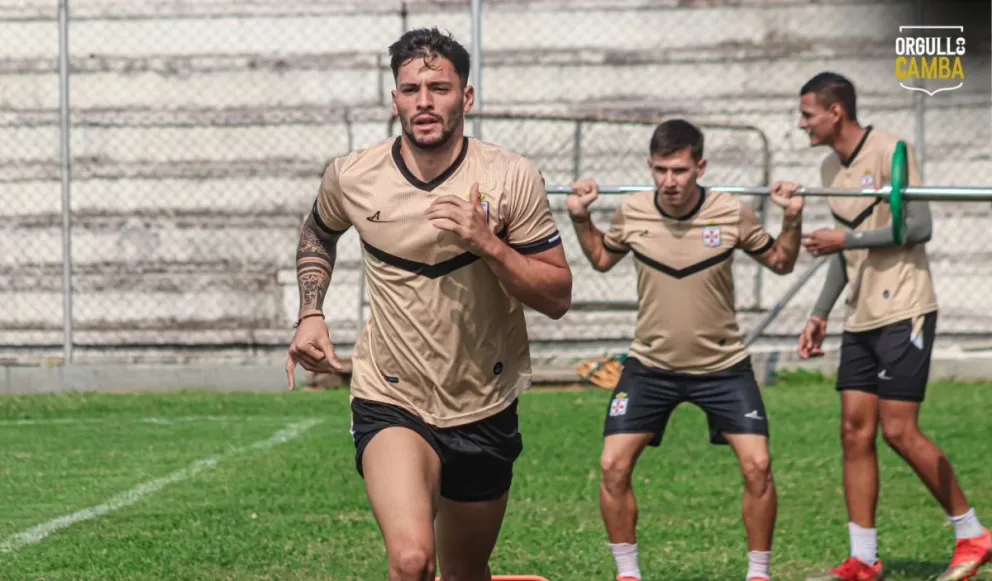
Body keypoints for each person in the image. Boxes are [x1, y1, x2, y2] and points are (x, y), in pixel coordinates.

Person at [285, 27, 573, 581]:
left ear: (465, 97)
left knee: (465, 572)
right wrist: (311, 312)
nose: (424, 101)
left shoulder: (510, 177)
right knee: (413, 559)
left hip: (483, 402)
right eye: (410, 88)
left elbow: (556, 295)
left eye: (438, 88)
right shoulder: (352, 175)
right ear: (394, 99)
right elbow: (318, 233)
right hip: (390, 395)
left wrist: (487, 243)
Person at [567, 118, 805, 581]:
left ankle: (759, 574)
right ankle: (628, 574)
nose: (669, 181)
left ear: (701, 166)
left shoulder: (731, 211)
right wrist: (580, 217)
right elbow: (600, 258)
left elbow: (781, 262)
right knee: (612, 466)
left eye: (679, 170)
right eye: (660, 170)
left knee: (758, 466)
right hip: (650, 366)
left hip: (724, 366)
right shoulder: (632, 211)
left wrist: (792, 217)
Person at [789, 71, 991, 581]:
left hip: (906, 308)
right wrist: (819, 312)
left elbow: (918, 227)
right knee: (854, 433)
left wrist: (845, 242)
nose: (802, 123)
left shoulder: (892, 151)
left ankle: (973, 535)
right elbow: (845, 246)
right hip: (860, 317)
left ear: (836, 112)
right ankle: (863, 558)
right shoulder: (827, 168)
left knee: (899, 430)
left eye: (808, 113)